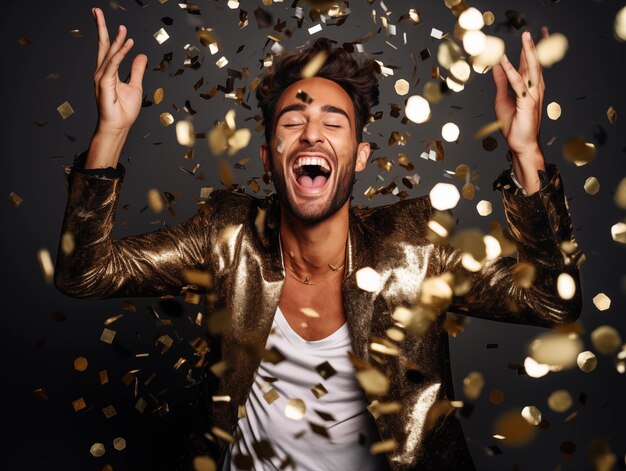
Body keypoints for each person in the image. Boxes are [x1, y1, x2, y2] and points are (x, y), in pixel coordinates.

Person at [55, 7, 583, 471]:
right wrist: (111, 133)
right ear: (268, 157)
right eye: (294, 120)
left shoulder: (416, 253)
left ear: (357, 157)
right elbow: (86, 272)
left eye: (333, 122)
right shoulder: (227, 238)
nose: (312, 134)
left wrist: (525, 154)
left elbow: (550, 302)